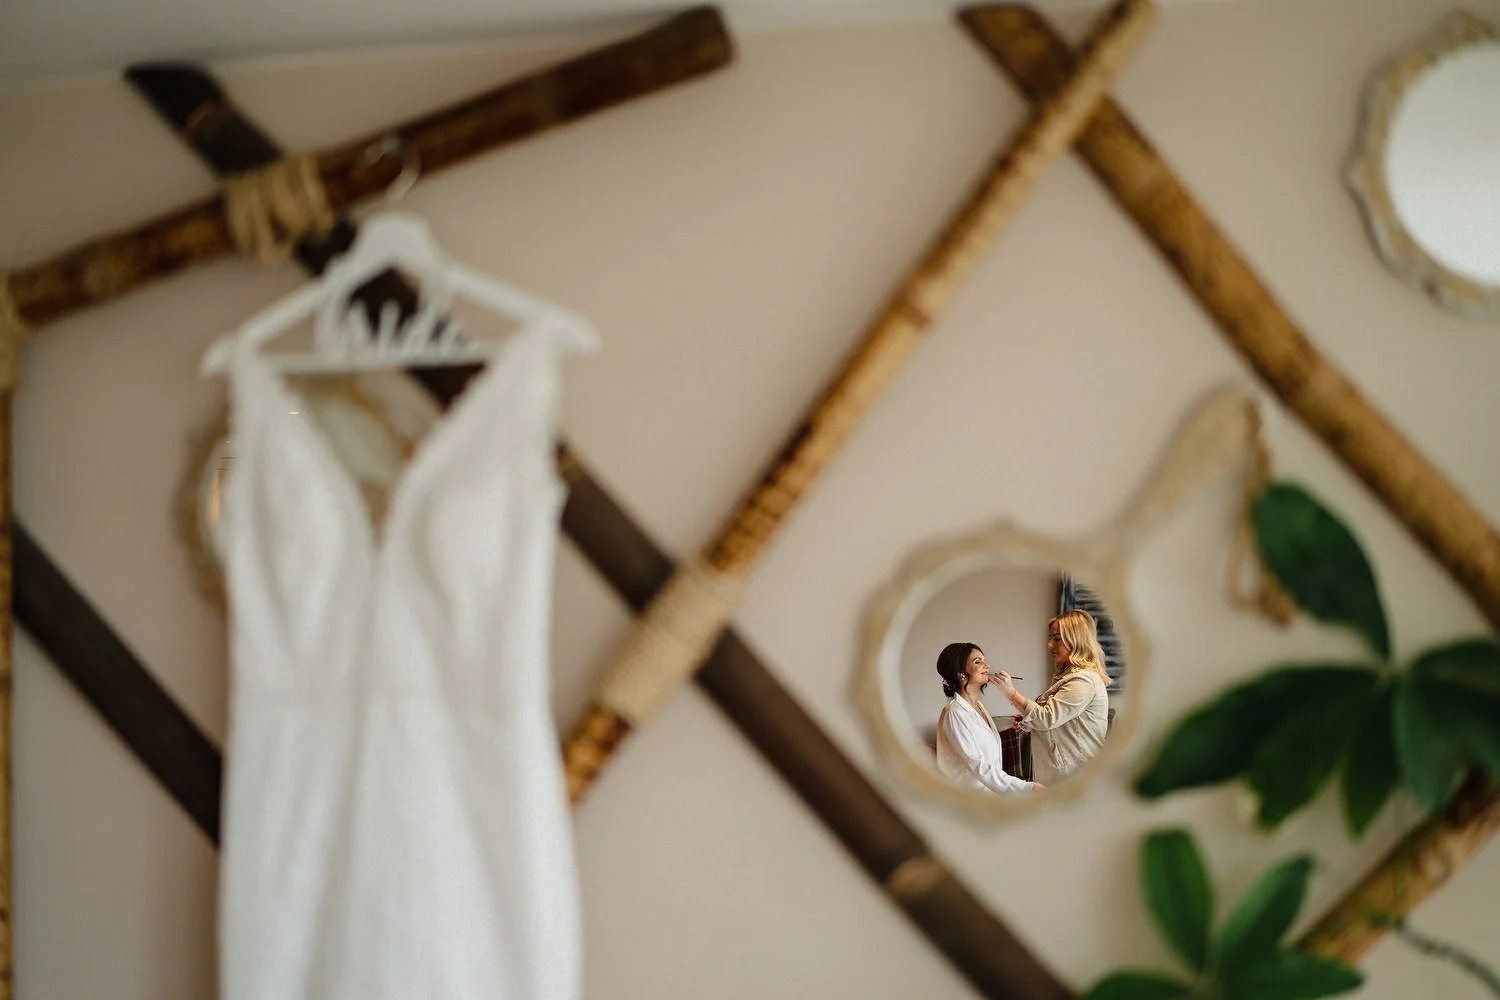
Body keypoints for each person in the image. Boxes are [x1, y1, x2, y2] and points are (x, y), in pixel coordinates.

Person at [993, 609, 1111, 785]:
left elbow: (1046, 718)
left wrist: (1010, 693)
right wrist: (1027, 721)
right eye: (1050, 638)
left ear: (1075, 640)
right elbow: (1057, 719)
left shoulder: (1083, 681)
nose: (1049, 644)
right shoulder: (1068, 677)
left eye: (1056, 638)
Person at [933, 643, 1043, 795]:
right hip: (968, 801)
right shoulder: (955, 712)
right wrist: (1025, 787)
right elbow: (979, 766)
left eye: (984, 660)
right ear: (960, 673)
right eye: (978, 662)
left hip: (989, 795)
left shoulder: (978, 706)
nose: (987, 665)